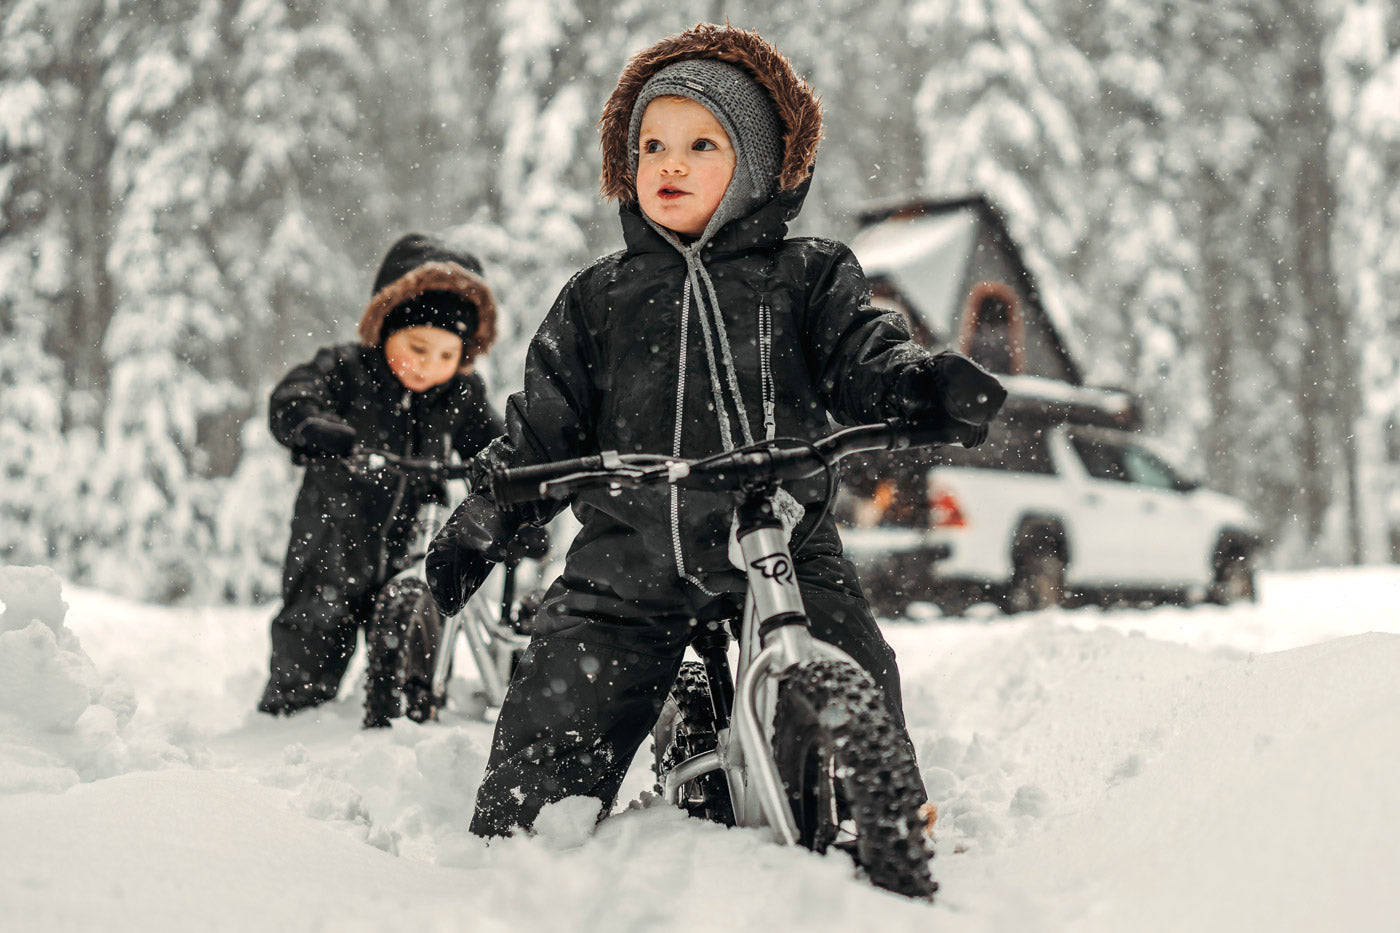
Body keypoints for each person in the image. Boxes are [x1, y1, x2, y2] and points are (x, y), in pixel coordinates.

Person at [426, 23, 1006, 837]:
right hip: (625, 559)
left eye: (701, 143)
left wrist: (915, 382)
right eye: (652, 144)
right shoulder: (599, 299)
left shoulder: (806, 276)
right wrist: (486, 517)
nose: (669, 163)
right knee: (538, 758)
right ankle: (538, 825)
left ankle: (868, 809)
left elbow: (860, 349)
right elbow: (543, 432)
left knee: (852, 670)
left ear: (759, 166)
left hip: (782, 544)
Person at [258, 234, 505, 718]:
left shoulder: (461, 393)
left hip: (415, 540)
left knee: (420, 629)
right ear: (385, 326)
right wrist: (314, 425)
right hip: (333, 534)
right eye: (416, 347)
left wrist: (509, 484)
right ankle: (290, 717)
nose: (429, 366)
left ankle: (411, 710)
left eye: (446, 355)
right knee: (313, 630)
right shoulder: (347, 369)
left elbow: (497, 446)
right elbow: (292, 396)